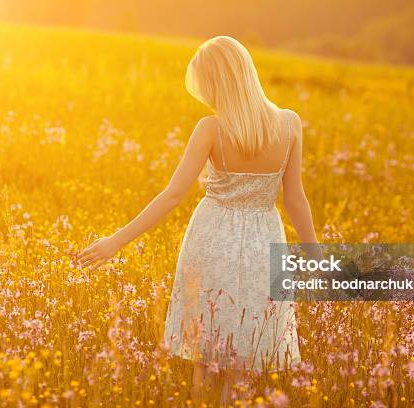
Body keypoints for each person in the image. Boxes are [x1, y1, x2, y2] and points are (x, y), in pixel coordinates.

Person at [78, 35, 319, 406]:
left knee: (206, 354)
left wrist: (117, 240)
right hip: (263, 241)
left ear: (216, 83)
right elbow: (295, 198)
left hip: (211, 239)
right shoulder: (289, 124)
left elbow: (173, 195)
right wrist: (314, 252)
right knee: (244, 350)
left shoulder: (211, 128)